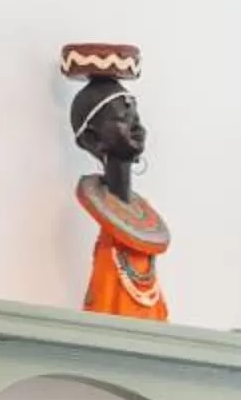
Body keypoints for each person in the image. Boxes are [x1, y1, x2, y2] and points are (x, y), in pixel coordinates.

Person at [60, 43, 170, 321]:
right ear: (92, 139)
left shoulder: (142, 212)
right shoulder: (107, 229)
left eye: (137, 118)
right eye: (124, 118)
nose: (138, 128)